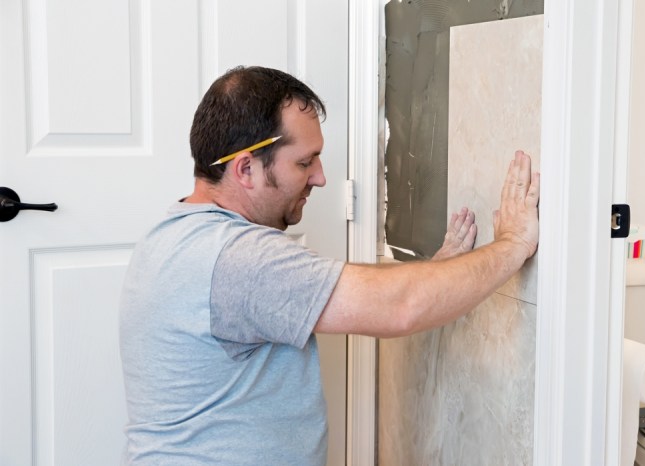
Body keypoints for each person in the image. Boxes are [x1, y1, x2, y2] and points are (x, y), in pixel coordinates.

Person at [118, 66, 540, 465]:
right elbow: (401, 306)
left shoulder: (174, 236)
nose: (320, 177)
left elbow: (332, 284)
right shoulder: (238, 259)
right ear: (246, 168)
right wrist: (513, 244)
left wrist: (441, 267)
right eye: (305, 162)